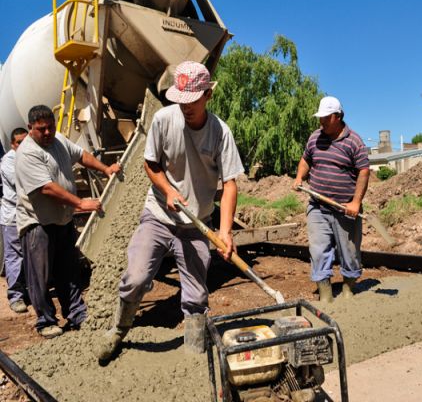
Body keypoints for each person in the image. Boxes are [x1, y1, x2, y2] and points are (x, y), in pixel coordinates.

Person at [96, 61, 244, 362]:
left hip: (197, 224)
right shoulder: (164, 120)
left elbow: (230, 185)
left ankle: (193, 354)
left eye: (192, 101)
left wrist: (225, 232)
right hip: (159, 216)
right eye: (180, 100)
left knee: (196, 293)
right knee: (136, 278)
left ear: (208, 95)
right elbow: (151, 165)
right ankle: (119, 329)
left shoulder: (220, 133)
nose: (185, 107)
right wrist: (168, 190)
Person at [15, 105, 120, 338]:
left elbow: (82, 155)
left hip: (62, 220)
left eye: (50, 127)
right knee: (40, 276)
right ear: (31, 128)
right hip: (38, 223)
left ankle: (76, 313)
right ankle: (46, 321)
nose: (47, 132)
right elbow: (47, 188)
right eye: (41, 129)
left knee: (69, 270)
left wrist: (106, 169)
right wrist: (81, 203)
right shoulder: (27, 153)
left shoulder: (59, 139)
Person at [293, 96, 370, 303]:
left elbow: (364, 171)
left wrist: (355, 202)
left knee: (350, 253)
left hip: (345, 208)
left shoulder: (354, 141)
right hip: (317, 206)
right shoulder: (315, 138)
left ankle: (347, 290)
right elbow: (306, 159)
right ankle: (325, 296)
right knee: (318, 250)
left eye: (326, 118)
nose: (322, 122)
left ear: (338, 117)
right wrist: (300, 176)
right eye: (321, 117)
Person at [2, 128, 29, 313]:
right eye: (19, 142)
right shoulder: (9, 161)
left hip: (27, 215)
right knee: (14, 258)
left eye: (25, 141)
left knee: (28, 257)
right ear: (12, 144)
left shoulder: (27, 156)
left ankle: (26, 291)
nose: (22, 145)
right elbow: (22, 184)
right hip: (13, 217)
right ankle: (15, 296)